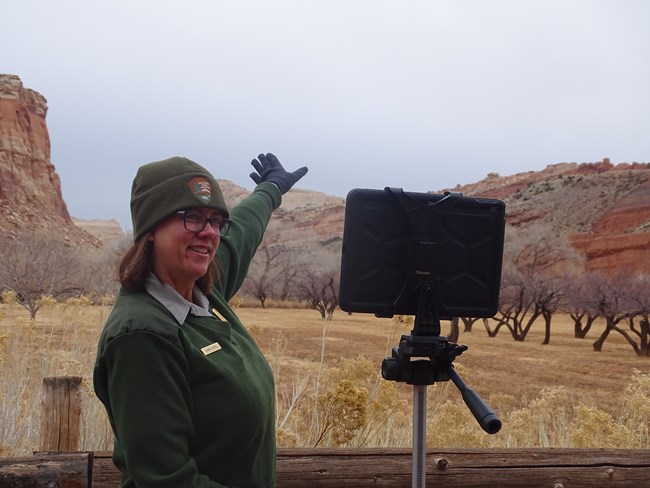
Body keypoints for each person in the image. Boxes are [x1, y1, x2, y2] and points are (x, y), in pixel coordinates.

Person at [93, 153, 308, 488]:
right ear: (151, 229)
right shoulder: (143, 335)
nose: (208, 233)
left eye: (215, 220)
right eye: (191, 217)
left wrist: (270, 190)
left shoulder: (202, 292)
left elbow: (241, 234)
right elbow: (167, 480)